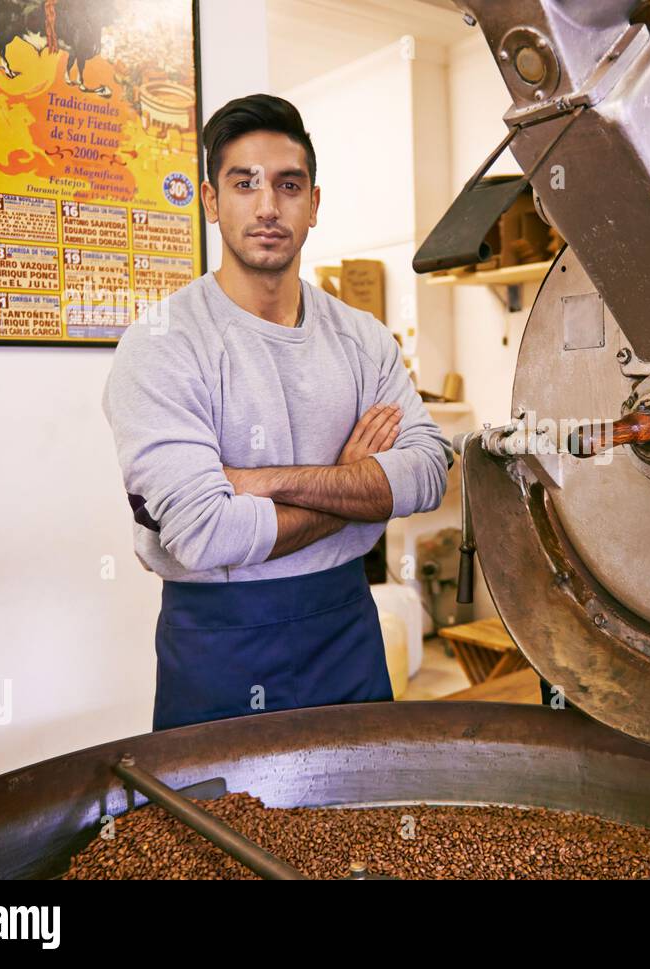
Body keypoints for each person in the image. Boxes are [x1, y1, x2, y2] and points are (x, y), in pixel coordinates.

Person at [102, 94, 452, 731]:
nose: (268, 207)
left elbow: (428, 472)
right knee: (215, 826)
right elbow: (204, 535)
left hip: (345, 623)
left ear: (314, 204)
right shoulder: (162, 344)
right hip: (216, 641)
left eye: (289, 186)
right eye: (244, 184)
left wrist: (257, 481)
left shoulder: (362, 338)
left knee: (361, 820)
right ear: (211, 201)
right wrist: (352, 485)